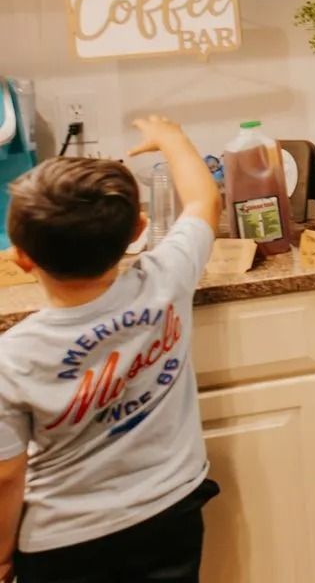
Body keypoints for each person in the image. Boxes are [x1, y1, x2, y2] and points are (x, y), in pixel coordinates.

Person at [0, 116, 222, 583]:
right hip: (170, 514)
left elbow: (5, 475)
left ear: (21, 257)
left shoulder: (12, 356)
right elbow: (204, 200)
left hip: (63, 543)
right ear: (137, 230)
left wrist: (1, 555)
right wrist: (172, 137)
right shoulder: (166, 280)